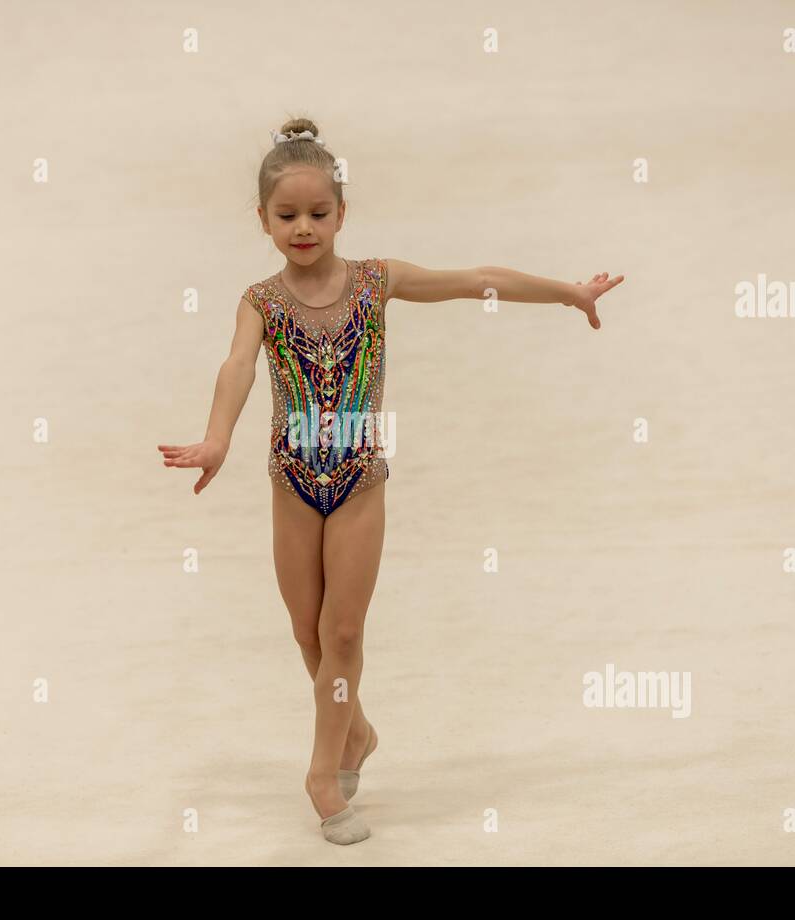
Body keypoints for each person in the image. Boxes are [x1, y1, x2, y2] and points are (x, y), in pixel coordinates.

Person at [157, 118, 624, 845]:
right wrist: (216, 437)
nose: (304, 227)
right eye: (288, 216)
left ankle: (322, 771)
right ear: (262, 221)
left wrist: (568, 292)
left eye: (319, 213)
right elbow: (238, 368)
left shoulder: (376, 282)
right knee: (307, 632)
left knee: (343, 630)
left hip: (358, 484)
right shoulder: (261, 302)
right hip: (291, 482)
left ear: (343, 213)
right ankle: (357, 732)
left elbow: (477, 281)